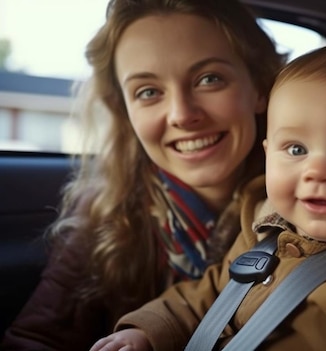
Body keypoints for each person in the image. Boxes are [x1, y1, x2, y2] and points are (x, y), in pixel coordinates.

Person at [90, 38, 326, 351]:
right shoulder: (264, 235)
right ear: (268, 157)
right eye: (296, 150)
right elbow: (206, 295)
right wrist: (147, 331)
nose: (318, 171)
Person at [1, 0, 284, 350]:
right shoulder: (104, 214)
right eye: (148, 92)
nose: (181, 114)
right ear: (125, 111)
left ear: (258, 87)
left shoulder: (316, 208)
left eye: (209, 79)